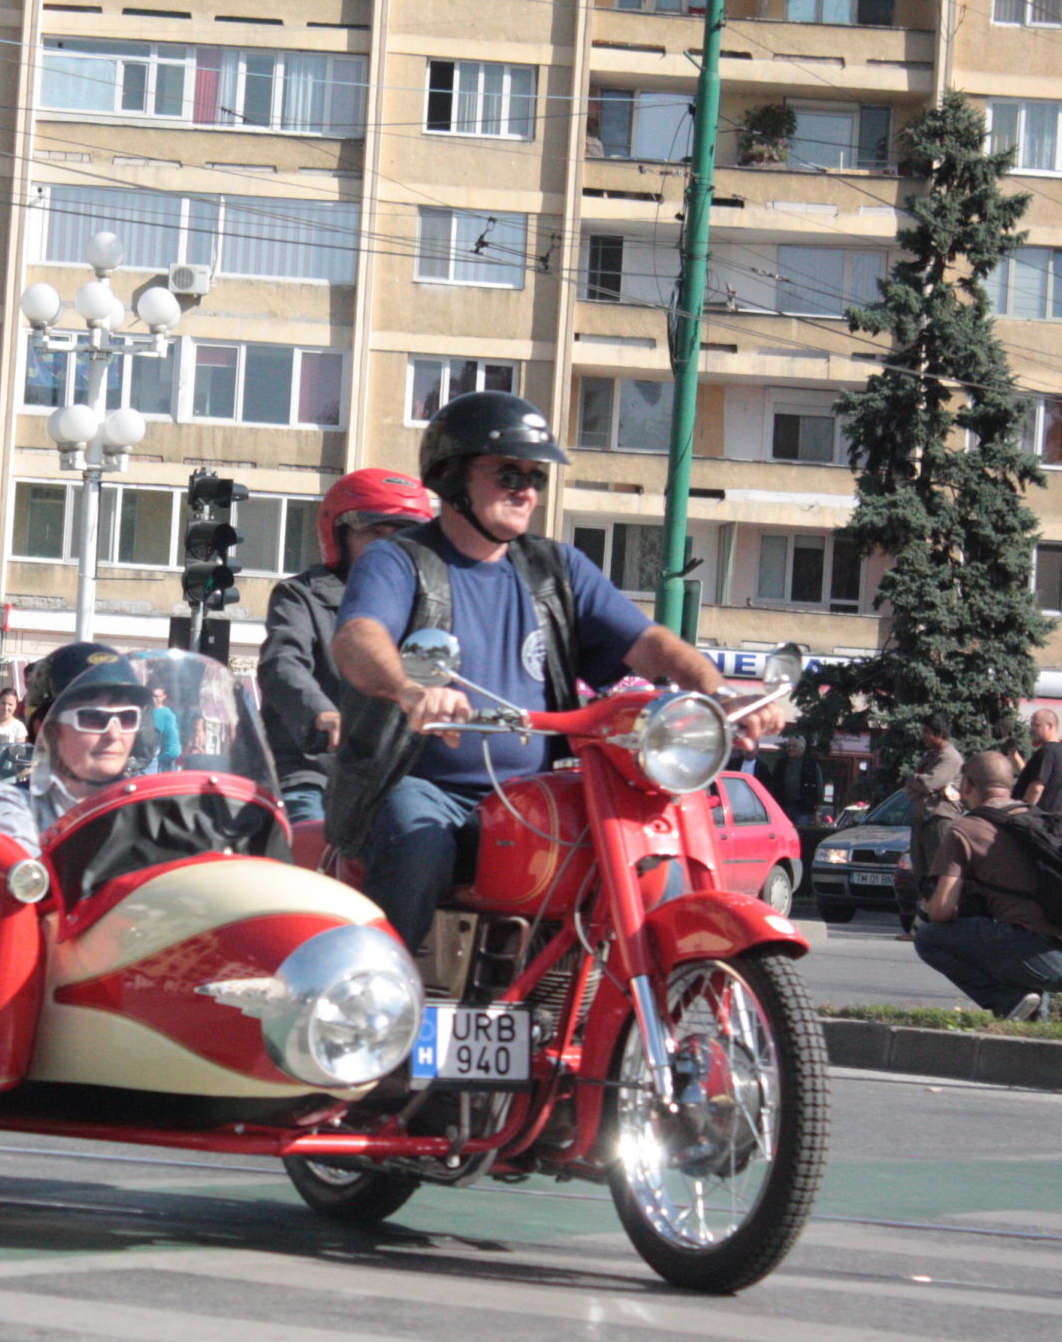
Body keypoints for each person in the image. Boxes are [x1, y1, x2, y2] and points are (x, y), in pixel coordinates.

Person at [329, 391, 779, 949]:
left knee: (639, 850)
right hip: (423, 785)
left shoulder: (558, 569)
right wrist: (409, 689)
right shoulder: (398, 559)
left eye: (535, 477)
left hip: (535, 790)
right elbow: (359, 637)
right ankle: (374, 986)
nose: (526, 491)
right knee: (418, 847)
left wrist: (718, 691)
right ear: (450, 476)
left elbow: (650, 642)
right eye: (508, 474)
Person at [259, 468, 432, 827]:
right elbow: (283, 662)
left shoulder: (430, 606)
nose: (387, 547)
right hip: (319, 772)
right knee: (310, 836)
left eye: (401, 536)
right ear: (340, 536)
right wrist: (319, 713)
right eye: (373, 533)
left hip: (402, 778)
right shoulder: (302, 596)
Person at [915, 750, 1062, 1020]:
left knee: (929, 937)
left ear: (966, 784)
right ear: (1011, 785)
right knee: (1020, 926)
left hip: (1040, 956)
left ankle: (1009, 1001)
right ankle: (1034, 1021)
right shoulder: (1040, 820)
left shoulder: (966, 828)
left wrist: (928, 905)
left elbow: (942, 911)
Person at [0, 644, 148, 848]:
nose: (114, 734)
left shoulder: (148, 804)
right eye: (93, 718)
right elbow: (22, 857)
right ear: (47, 730)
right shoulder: (12, 804)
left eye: (127, 718)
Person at [901, 716, 964, 938]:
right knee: (921, 876)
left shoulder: (950, 757)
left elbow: (931, 782)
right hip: (922, 820)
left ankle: (940, 928)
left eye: (927, 732)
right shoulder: (930, 756)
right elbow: (914, 785)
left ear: (939, 733)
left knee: (937, 875)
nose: (924, 736)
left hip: (939, 820)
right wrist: (916, 781)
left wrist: (916, 780)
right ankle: (919, 928)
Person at [1015, 708, 1062, 815]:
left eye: (1036, 725)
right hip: (1054, 818)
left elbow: (1036, 788)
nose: (1031, 729)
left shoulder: (1047, 752)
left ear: (1050, 726)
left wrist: (1022, 812)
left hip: (1039, 818)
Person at [147, 685, 183, 772]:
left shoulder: (167, 716)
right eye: (150, 696)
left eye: (156, 696)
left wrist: (155, 761)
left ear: (164, 697)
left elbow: (174, 751)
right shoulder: (143, 712)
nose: (153, 699)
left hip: (156, 770)